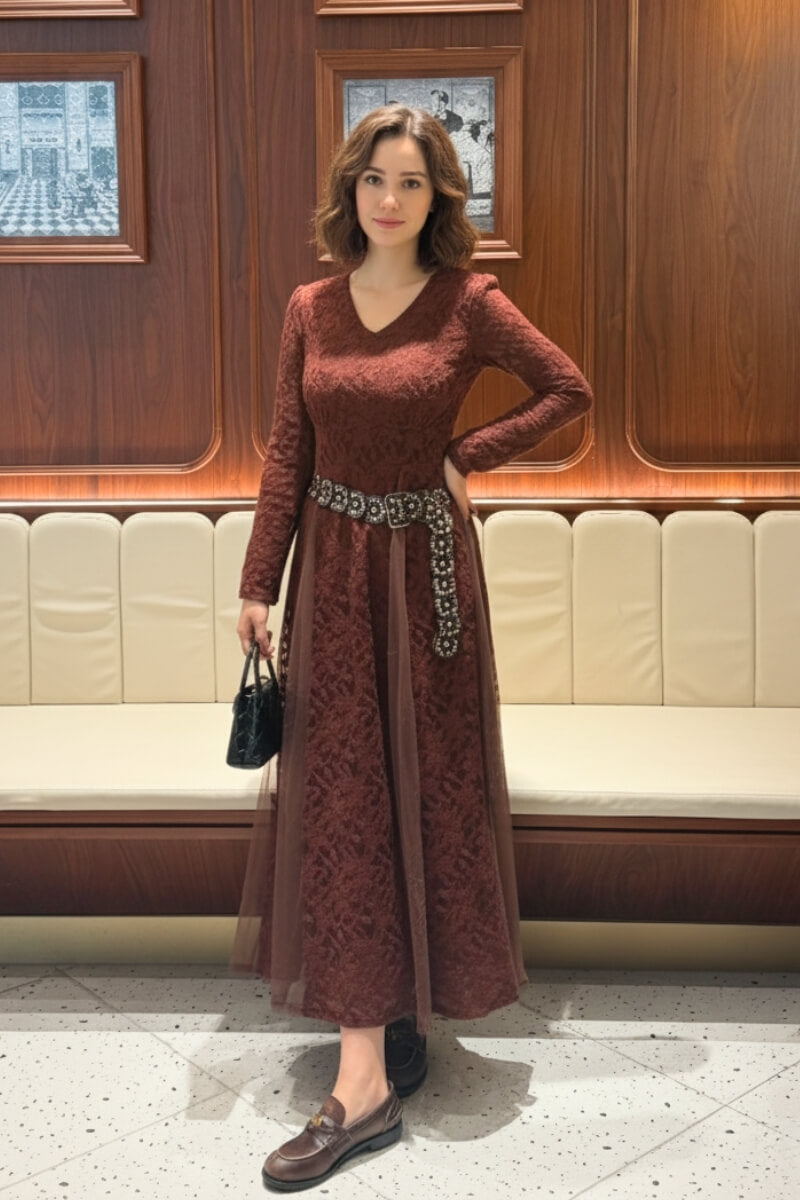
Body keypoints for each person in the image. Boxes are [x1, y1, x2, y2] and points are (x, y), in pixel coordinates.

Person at [231, 103, 593, 1191]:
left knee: (422, 794)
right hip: (333, 580)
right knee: (344, 804)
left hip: (428, 587)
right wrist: (257, 583)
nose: (389, 199)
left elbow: (566, 391)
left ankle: (382, 1057)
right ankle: (368, 1065)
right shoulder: (310, 307)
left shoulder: (466, 301)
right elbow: (287, 455)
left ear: (440, 198)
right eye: (374, 180)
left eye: (413, 182)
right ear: (349, 189)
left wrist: (461, 457)